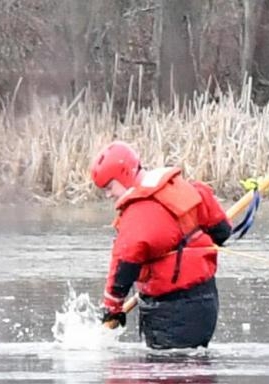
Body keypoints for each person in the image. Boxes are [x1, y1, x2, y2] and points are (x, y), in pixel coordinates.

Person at [91, 141, 231, 349]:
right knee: (193, 374)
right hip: (205, 302)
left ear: (124, 175)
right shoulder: (182, 187)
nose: (109, 194)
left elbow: (123, 267)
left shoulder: (138, 215)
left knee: (165, 376)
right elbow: (222, 231)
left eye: (110, 187)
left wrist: (112, 308)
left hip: (171, 312)